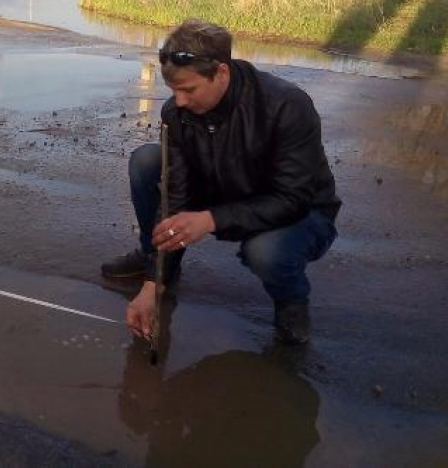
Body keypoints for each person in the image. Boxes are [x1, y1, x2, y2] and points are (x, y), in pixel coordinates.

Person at [102, 19, 340, 343]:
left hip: (299, 210)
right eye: (174, 90)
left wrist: (210, 219)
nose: (179, 101)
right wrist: (151, 285)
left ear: (222, 73)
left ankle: (291, 302)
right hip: (224, 187)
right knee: (146, 161)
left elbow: (293, 198)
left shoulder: (287, 105)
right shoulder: (177, 113)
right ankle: (156, 263)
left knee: (265, 252)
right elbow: (175, 196)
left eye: (189, 89)